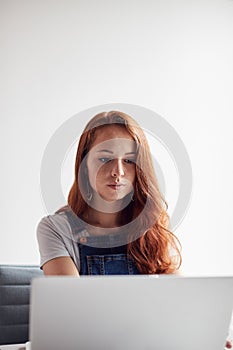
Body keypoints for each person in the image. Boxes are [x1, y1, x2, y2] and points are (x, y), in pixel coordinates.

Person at [37, 110, 181, 276]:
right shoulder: (56, 229)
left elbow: (178, 294)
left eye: (129, 160)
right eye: (105, 159)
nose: (118, 172)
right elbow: (71, 300)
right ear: (84, 165)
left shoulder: (154, 226)